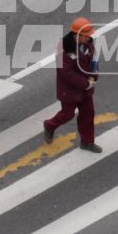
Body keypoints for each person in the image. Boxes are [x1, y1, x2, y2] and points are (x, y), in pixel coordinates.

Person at [42, 17, 101, 152]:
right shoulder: (63, 50)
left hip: (86, 89)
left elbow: (94, 62)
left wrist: (94, 76)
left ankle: (87, 142)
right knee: (67, 114)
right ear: (77, 35)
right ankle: (50, 125)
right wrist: (86, 83)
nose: (89, 38)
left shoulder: (89, 45)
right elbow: (66, 73)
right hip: (70, 90)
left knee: (88, 114)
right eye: (86, 36)